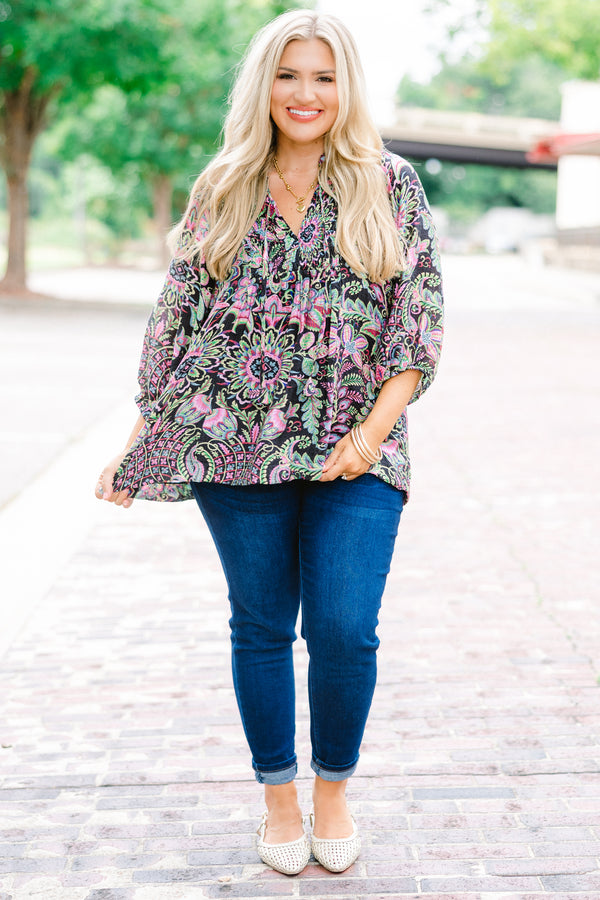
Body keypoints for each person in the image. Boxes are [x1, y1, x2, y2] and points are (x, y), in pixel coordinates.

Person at [95, 8, 443, 877]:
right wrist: (140, 442)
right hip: (234, 449)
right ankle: (278, 798)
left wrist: (369, 438)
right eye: (289, 75)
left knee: (343, 626)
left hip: (352, 452)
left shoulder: (389, 184)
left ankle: (334, 790)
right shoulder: (223, 186)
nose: (305, 93)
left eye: (323, 76)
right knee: (259, 626)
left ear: (346, 86)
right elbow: (179, 327)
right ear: (265, 85)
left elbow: (421, 323)